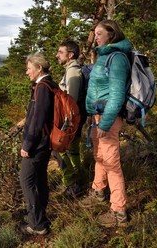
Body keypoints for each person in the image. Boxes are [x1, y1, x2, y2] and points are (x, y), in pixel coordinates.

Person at [82, 19, 131, 227]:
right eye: (95, 33)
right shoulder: (103, 56)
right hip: (97, 117)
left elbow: (117, 95)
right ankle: (98, 190)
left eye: (100, 33)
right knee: (99, 156)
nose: (96, 36)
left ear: (112, 34)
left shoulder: (117, 58)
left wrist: (104, 124)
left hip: (107, 118)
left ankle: (119, 212)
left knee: (111, 163)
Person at [20, 53, 56, 235]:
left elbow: (38, 119)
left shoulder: (42, 87)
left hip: (38, 143)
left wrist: (27, 145)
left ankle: (38, 224)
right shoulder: (50, 85)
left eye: (29, 68)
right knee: (40, 178)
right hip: (46, 141)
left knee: (26, 180)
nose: (27, 72)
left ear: (39, 67)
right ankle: (40, 216)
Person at [55, 41, 88, 199]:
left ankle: (72, 183)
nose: (57, 55)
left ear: (70, 55)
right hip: (76, 119)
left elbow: (71, 102)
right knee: (73, 150)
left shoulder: (73, 73)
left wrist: (64, 125)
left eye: (60, 52)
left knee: (58, 148)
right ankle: (80, 179)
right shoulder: (71, 70)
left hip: (71, 121)